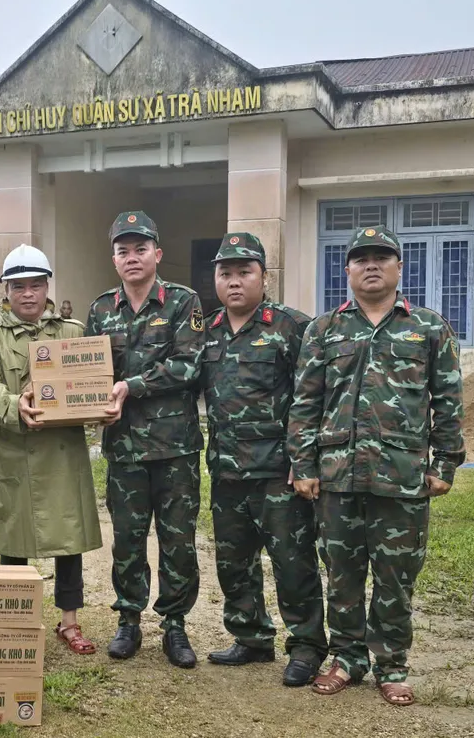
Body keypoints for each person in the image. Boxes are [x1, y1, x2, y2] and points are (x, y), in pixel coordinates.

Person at [288, 225, 465, 706]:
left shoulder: (428, 327)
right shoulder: (323, 330)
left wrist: (444, 465)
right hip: (338, 478)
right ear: (346, 269)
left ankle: (392, 665)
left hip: (402, 479)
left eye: (381, 257)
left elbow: (447, 401)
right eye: (361, 258)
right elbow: (305, 403)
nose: (371, 265)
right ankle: (347, 659)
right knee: (342, 574)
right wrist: (303, 464)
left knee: (395, 578)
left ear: (398, 267)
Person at [199, 233, 327, 687]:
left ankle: (307, 645)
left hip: (278, 471)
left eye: (244, 272)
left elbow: (315, 396)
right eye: (225, 273)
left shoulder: (293, 327)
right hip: (227, 469)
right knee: (233, 562)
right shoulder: (208, 329)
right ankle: (251, 637)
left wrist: (304, 457)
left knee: (292, 561)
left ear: (264, 276)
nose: (234, 282)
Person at [0, 245, 104, 654]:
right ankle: (15, 621)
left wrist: (99, 405)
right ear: (5, 291)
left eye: (36, 285)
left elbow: (92, 381)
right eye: (18, 286)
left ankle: (70, 621)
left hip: (64, 452)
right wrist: (15, 406)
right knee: (15, 537)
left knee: (70, 539)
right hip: (17, 451)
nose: (28, 294)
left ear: (47, 287)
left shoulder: (73, 332)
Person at [86, 210, 205, 669]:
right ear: (113, 259)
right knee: (127, 539)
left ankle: (175, 624)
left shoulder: (183, 302)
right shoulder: (100, 310)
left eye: (140, 249)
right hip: (124, 447)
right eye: (123, 250)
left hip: (175, 447)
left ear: (157, 253)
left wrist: (128, 387)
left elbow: (189, 366)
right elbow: (89, 373)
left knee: (178, 539)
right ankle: (129, 619)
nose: (131, 257)